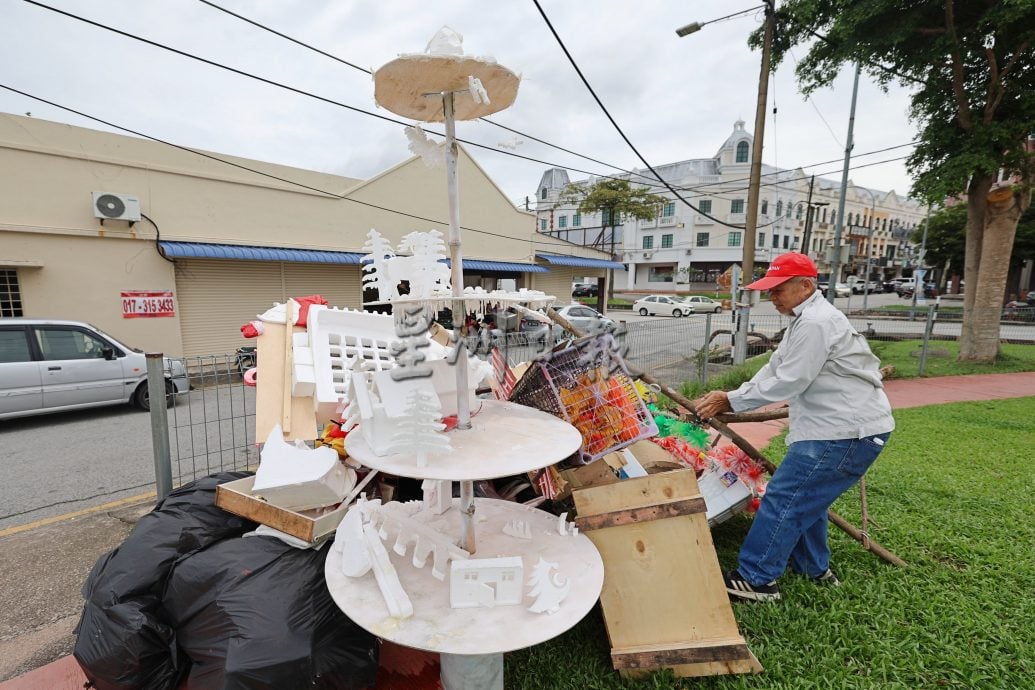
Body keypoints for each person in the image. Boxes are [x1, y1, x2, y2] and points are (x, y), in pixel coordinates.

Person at [695, 253, 895, 602]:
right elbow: (774, 367)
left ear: (806, 286)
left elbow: (789, 380)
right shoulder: (803, 321)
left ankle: (757, 580)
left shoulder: (817, 323)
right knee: (808, 500)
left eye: (778, 290)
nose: (772, 298)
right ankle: (812, 567)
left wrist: (731, 399)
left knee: (784, 498)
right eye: (769, 291)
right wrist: (733, 395)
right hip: (836, 429)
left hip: (845, 432)